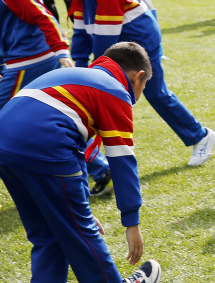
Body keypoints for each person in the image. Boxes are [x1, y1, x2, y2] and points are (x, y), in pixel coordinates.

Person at [58, 0, 215, 168]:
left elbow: (107, 29)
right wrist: (80, 61)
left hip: (140, 37)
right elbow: (81, 22)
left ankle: (201, 136)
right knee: (105, 99)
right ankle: (97, 164)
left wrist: (97, 68)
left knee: (151, 92)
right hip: (120, 39)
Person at [0, 42, 162, 283]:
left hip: (4, 145)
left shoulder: (79, 75)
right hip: (44, 147)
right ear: (138, 77)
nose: (138, 96)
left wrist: (79, 205)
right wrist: (132, 222)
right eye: (144, 87)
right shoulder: (115, 90)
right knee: (81, 234)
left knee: (48, 236)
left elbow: (79, 149)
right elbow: (122, 159)